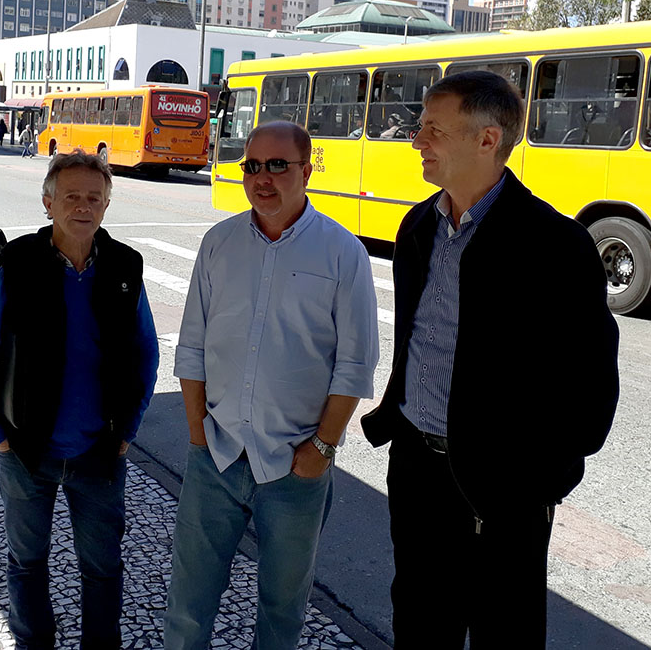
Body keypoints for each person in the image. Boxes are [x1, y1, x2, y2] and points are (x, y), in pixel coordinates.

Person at [360, 71, 620, 649]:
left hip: (506, 491)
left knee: (506, 634)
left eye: (433, 129)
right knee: (419, 627)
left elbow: (592, 388)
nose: (417, 141)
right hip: (417, 472)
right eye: (420, 126)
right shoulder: (418, 225)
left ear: (487, 139)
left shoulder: (556, 244)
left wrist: (538, 483)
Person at [164, 121, 380, 650]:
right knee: (188, 606)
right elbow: (192, 347)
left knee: (282, 611)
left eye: (278, 165)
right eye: (252, 166)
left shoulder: (341, 252)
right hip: (216, 457)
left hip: (294, 465)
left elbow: (355, 364)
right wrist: (197, 434)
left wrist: (321, 449)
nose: (262, 178)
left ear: (307, 171)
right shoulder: (218, 243)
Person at [0, 150, 159, 650]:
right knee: (27, 563)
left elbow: (146, 355)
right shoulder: (19, 265)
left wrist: (128, 431)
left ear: (107, 205)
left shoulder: (125, 267)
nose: (83, 206)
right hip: (26, 454)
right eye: (71, 196)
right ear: (48, 203)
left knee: (103, 568)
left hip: (99, 454)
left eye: (94, 197)